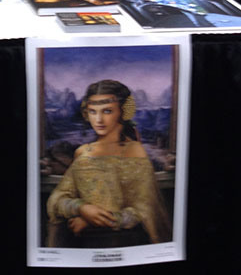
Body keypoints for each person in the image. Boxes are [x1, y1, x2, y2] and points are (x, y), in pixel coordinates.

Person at [45, 79, 171, 248]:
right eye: (92, 111)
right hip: (81, 242)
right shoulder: (82, 152)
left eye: (107, 111)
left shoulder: (134, 151)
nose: (98, 119)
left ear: (122, 112)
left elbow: (144, 210)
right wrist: (81, 208)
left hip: (121, 241)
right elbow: (58, 198)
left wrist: (94, 221)